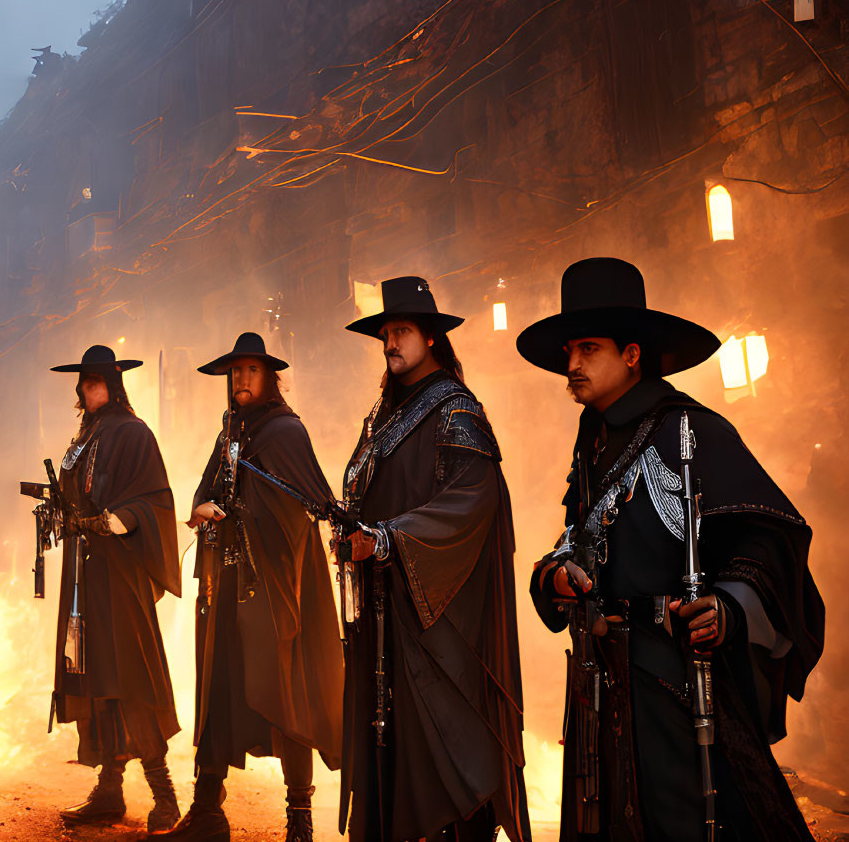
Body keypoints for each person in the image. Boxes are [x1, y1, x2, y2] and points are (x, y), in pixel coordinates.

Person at [521, 257, 824, 841]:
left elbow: (768, 538)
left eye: (588, 348)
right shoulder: (593, 436)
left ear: (632, 354)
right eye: (570, 352)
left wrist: (730, 607)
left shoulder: (691, 430)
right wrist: (555, 577)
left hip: (672, 679)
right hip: (599, 680)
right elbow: (577, 539)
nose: (573, 364)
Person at [337, 277, 530, 842]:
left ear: (430, 338)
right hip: (383, 613)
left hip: (439, 618)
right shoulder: (384, 415)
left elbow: (473, 502)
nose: (389, 343)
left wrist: (391, 539)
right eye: (386, 334)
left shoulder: (455, 412)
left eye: (400, 332)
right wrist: (354, 535)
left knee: (442, 756)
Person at [164, 331, 342, 842]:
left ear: (269, 378)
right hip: (227, 582)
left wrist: (248, 516)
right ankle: (207, 811)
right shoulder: (231, 431)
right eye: (235, 372)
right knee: (218, 684)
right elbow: (205, 488)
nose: (241, 379)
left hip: (274, 587)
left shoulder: (285, 431)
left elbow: (308, 506)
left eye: (251, 371)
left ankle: (299, 821)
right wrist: (202, 509)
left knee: (287, 692)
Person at [45, 345, 182, 833]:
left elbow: (155, 497)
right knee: (97, 675)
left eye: (97, 380)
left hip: (120, 574)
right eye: (84, 381)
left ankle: (165, 795)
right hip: (85, 571)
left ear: (115, 383)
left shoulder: (133, 432)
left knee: (132, 677)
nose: (88, 388)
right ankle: (108, 791)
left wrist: (121, 521)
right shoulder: (85, 435)